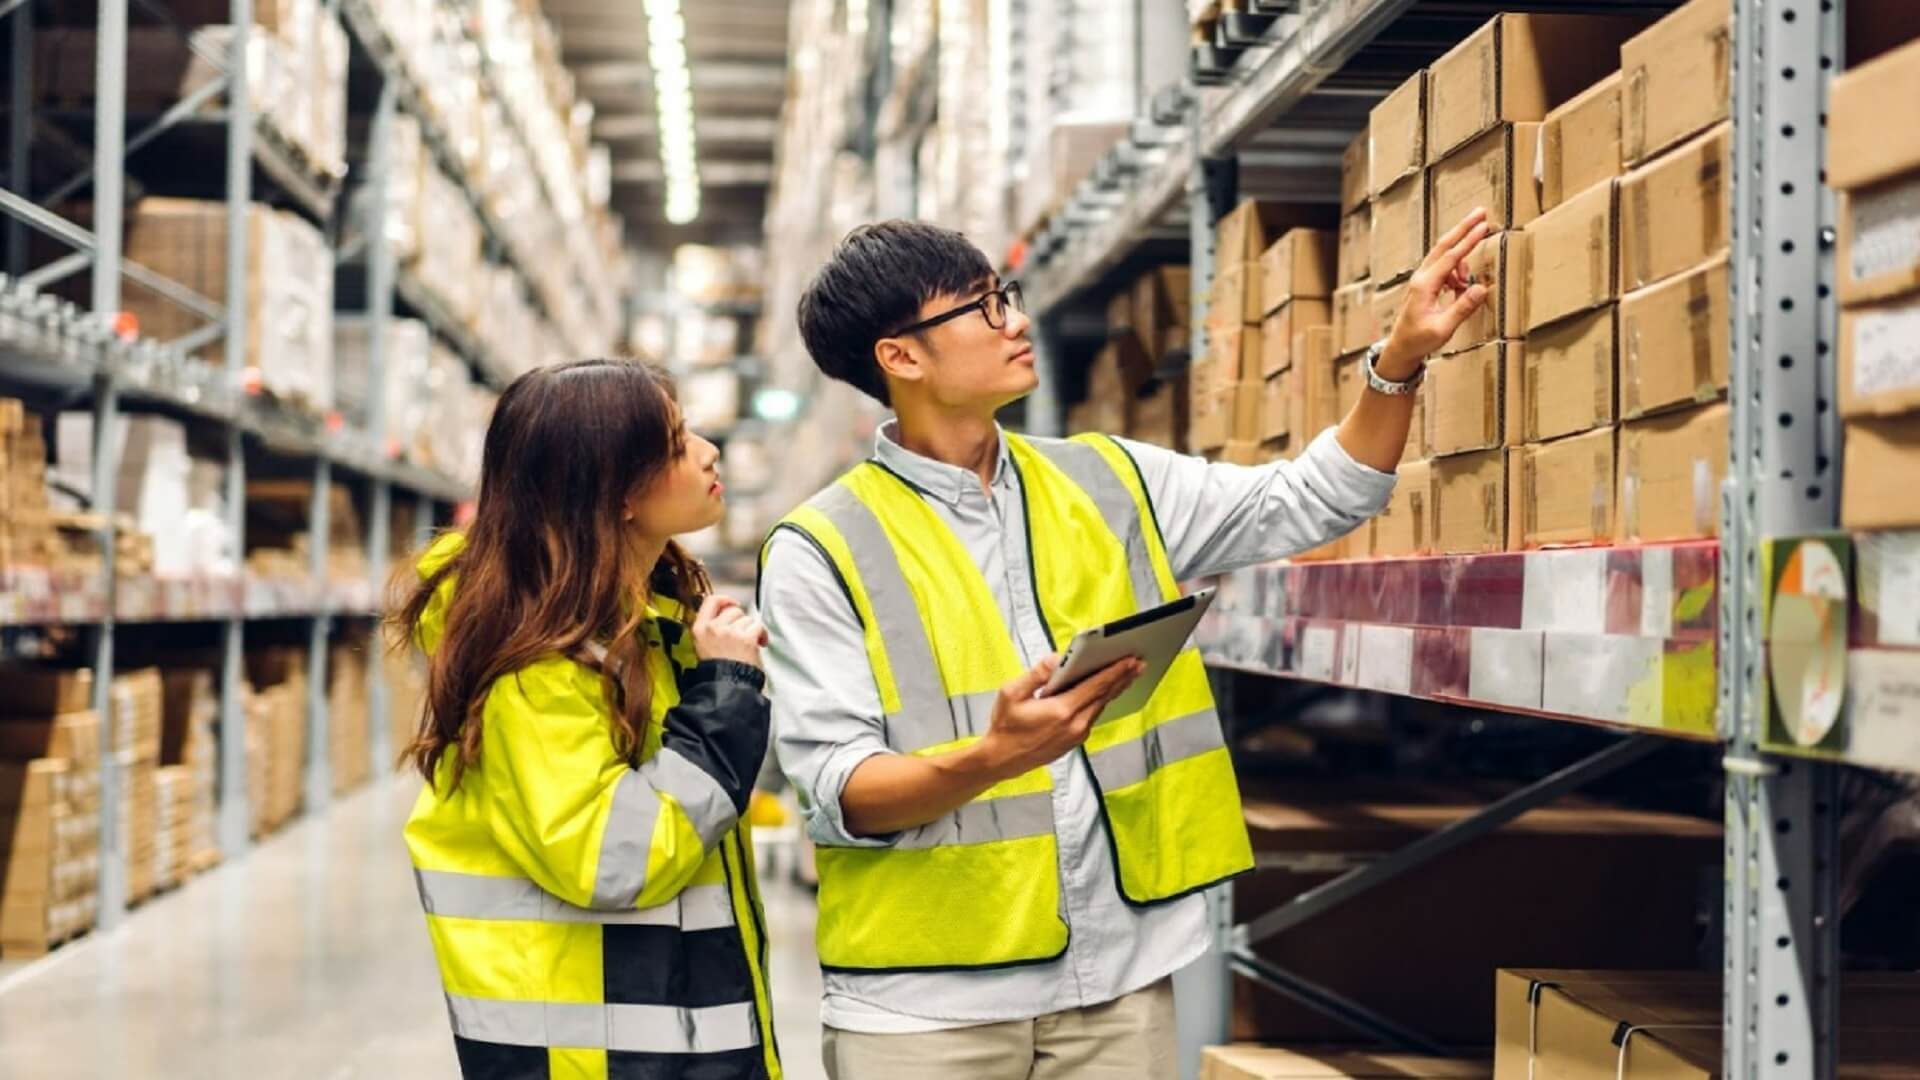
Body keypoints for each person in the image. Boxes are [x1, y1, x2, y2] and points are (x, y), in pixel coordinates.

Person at [759, 209, 1493, 1079]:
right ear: (902, 356)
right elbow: (840, 790)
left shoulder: (1106, 477)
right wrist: (992, 757)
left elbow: (1314, 499)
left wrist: (1399, 360)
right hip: (928, 1009)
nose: (1018, 321)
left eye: (1009, 297)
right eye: (983, 308)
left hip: (1116, 981)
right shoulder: (820, 548)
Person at [394, 359, 783, 1080]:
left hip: (665, 1038)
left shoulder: (642, 632)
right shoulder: (537, 668)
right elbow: (615, 857)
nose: (708, 451)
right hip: (598, 1059)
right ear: (616, 490)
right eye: (675, 443)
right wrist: (725, 700)